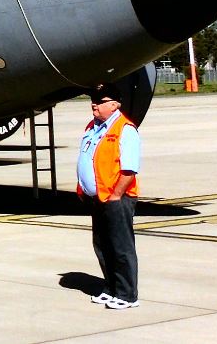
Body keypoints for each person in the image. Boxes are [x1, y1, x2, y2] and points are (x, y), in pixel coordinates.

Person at [78, 83, 141, 310]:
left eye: (100, 101)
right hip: (97, 198)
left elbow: (129, 168)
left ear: (115, 105)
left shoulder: (125, 129)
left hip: (116, 198)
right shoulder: (92, 127)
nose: (94, 104)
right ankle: (111, 288)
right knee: (102, 246)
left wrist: (116, 195)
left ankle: (127, 294)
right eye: (93, 100)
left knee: (121, 247)